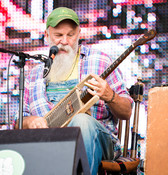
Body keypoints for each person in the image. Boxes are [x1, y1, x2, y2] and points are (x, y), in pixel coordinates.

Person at [15, 7, 133, 175]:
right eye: (58, 35)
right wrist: (30, 121)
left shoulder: (99, 61)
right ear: (46, 36)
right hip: (49, 145)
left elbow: (127, 112)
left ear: (79, 34)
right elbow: (18, 120)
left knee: (81, 121)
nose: (64, 41)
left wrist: (110, 96)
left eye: (70, 35)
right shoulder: (34, 74)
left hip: (98, 143)